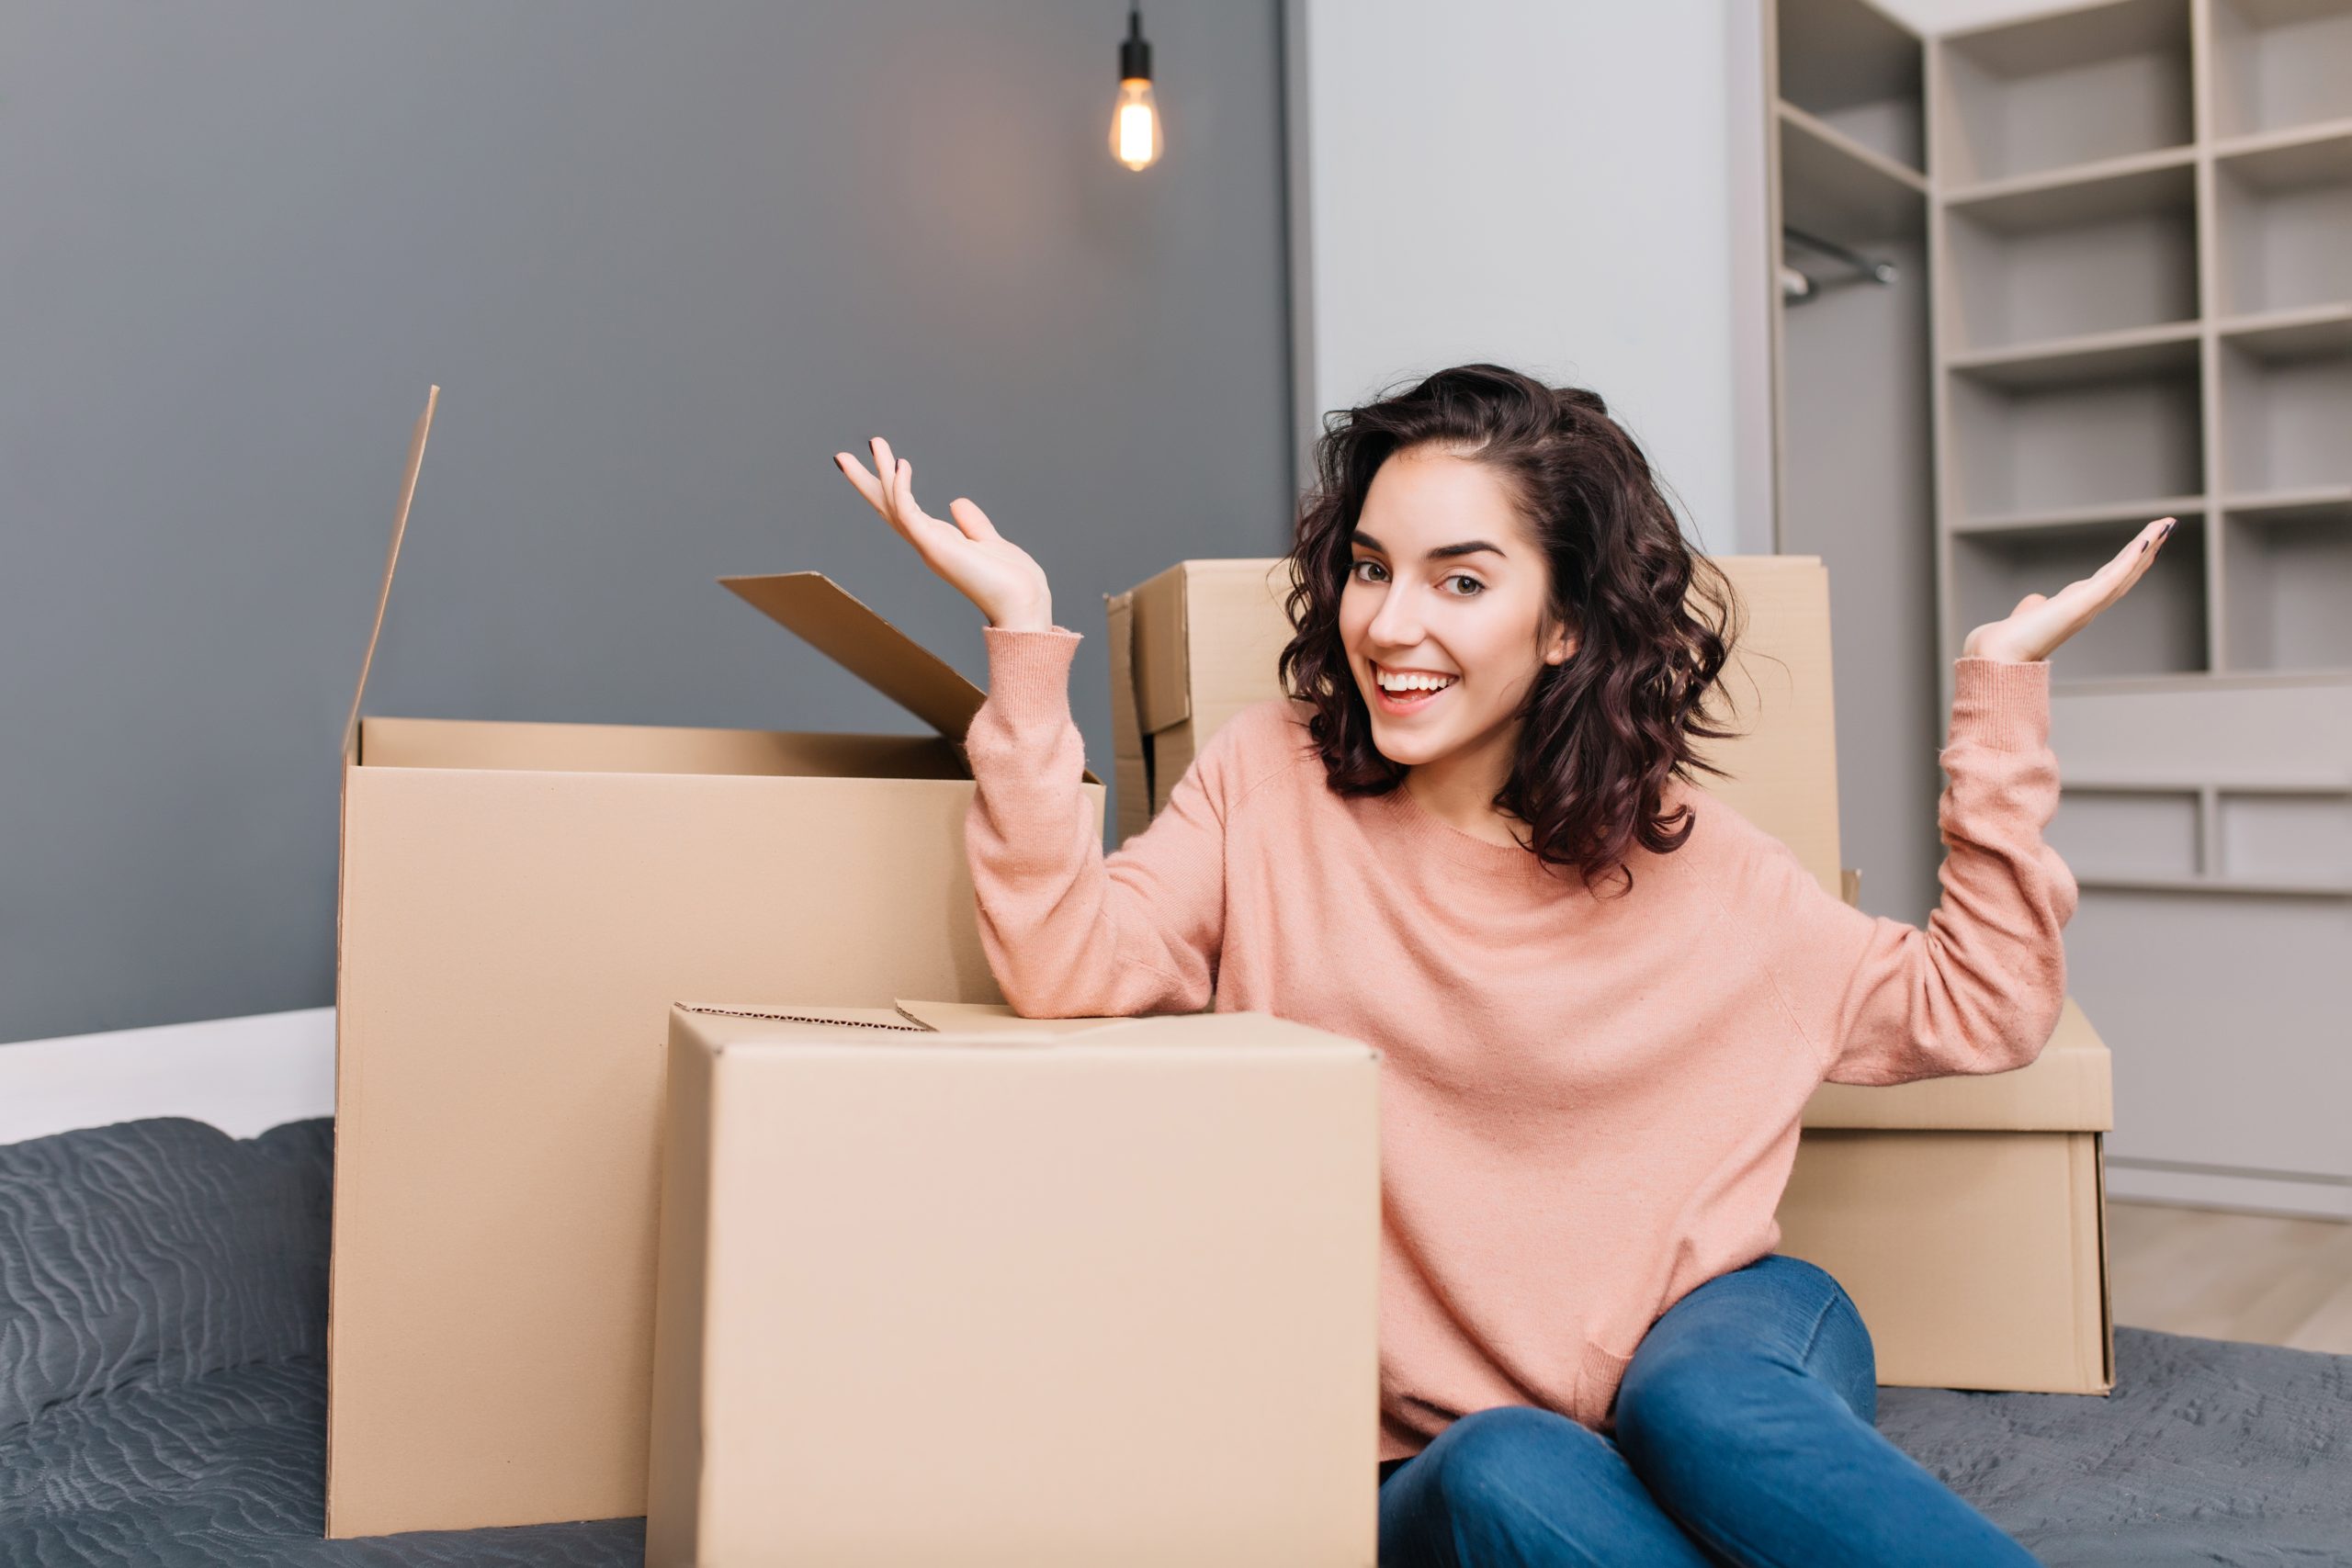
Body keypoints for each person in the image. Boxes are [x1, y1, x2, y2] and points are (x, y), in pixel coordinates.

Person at [834, 363, 2170, 1567]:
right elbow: (1067, 965)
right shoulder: (1268, 779)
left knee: (1691, 1401)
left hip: (1719, 1334)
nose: (1392, 625)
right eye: (1370, 568)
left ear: (1566, 625)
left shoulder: (1702, 869)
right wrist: (1021, 642)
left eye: (1461, 581)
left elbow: (1983, 1011)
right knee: (1500, 1472)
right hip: (1426, 1440)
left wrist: (1997, 700)